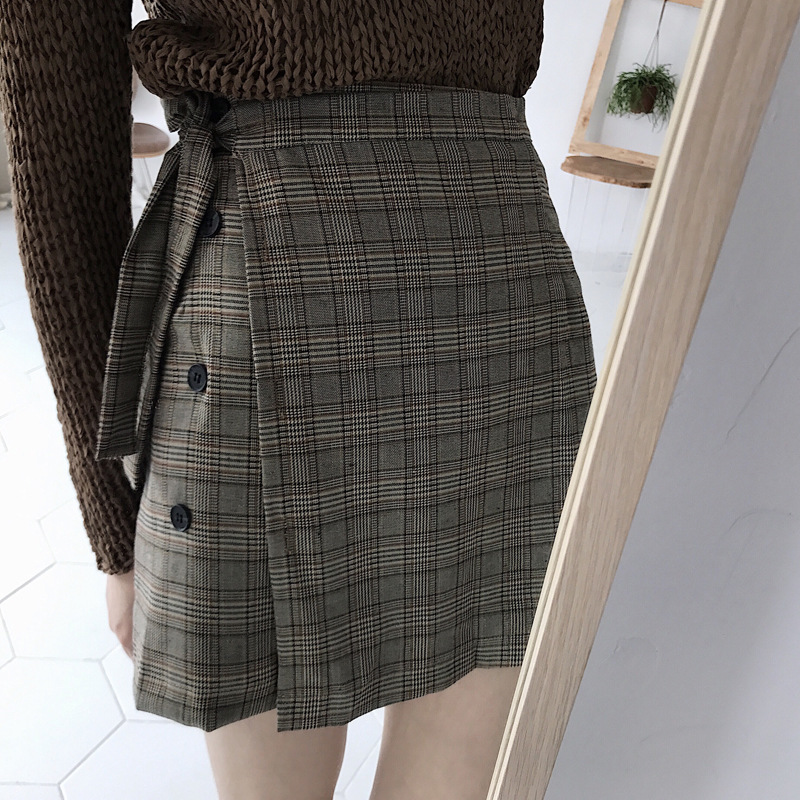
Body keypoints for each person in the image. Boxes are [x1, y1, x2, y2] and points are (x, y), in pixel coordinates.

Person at [0, 3, 597, 799]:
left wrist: (118, 528)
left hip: (473, 282)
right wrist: (112, 516)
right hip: (469, 269)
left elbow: (57, 150)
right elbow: (61, 157)